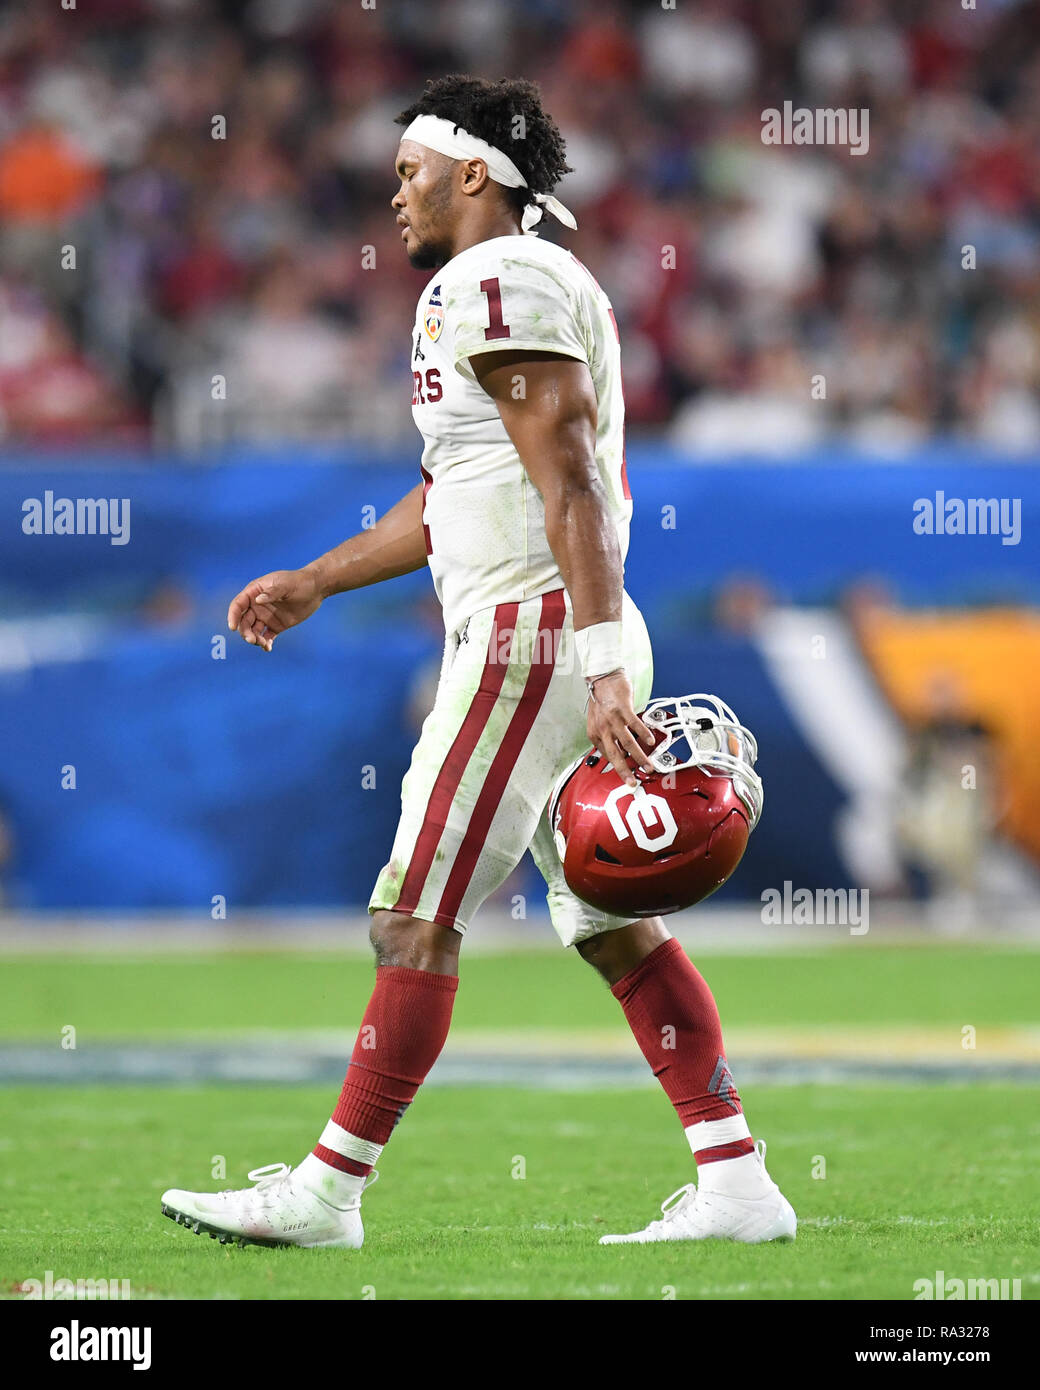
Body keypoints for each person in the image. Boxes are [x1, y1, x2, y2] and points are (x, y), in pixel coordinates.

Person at [160, 75, 795, 1250]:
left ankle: (328, 1192)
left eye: (409, 169)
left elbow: (571, 481)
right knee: (608, 921)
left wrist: (598, 659)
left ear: (470, 174)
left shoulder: (494, 277)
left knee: (413, 919)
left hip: (533, 637)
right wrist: (318, 577)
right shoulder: (515, 284)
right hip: (553, 628)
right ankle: (737, 1179)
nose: (392, 191)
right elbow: (463, 490)